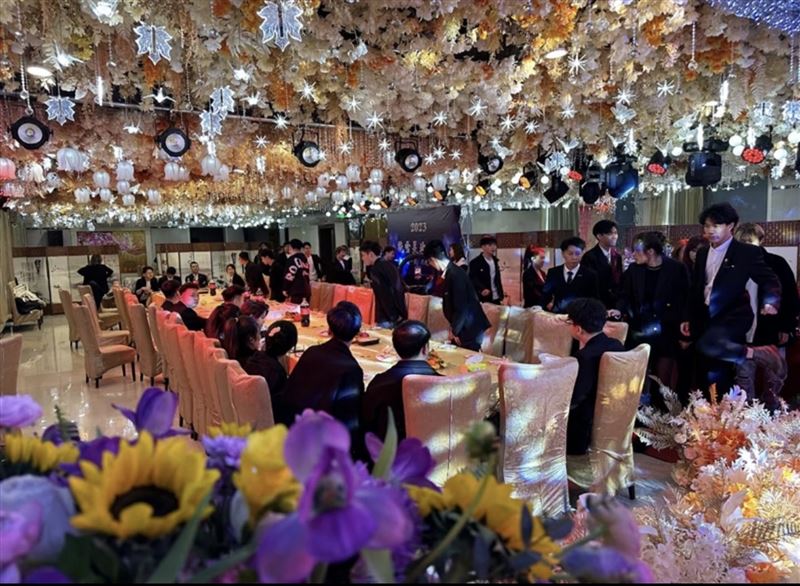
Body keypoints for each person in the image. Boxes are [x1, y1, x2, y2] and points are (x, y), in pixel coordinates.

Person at [681, 203, 784, 398]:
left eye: (716, 225)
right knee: (705, 366)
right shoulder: (702, 253)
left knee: (714, 355)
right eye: (707, 226)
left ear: (731, 226)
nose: (710, 231)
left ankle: (757, 354)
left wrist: (770, 302)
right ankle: (710, 412)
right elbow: (696, 288)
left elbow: (769, 279)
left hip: (733, 315)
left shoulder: (746, 252)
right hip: (705, 316)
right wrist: (687, 316)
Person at [612, 231, 690, 392]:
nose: (633, 254)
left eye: (637, 251)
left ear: (651, 251)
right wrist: (618, 310)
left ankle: (661, 405)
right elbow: (624, 295)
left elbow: (685, 299)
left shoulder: (676, 268)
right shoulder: (634, 270)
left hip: (667, 329)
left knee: (662, 379)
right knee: (636, 378)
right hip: (640, 329)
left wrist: (684, 327)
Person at [282, 302, 365, 451]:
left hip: (294, 432)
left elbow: (290, 394)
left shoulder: (311, 352)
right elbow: (349, 424)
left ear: (329, 329)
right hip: (322, 447)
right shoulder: (351, 369)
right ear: (357, 333)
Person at [565, 298, 625, 455]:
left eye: (569, 322)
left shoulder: (585, 356)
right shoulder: (616, 345)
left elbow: (576, 397)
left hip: (586, 428)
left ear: (578, 329)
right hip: (616, 417)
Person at [362, 320, 440, 440]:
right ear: (425, 349)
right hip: (429, 447)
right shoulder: (443, 383)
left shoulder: (379, 383)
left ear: (395, 348)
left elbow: (368, 421)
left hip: (389, 448)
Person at [734, 223, 800, 349]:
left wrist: (786, 327)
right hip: (738, 330)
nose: (746, 245)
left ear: (761, 240)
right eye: (742, 242)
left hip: (769, 327)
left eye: (750, 241)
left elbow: (790, 296)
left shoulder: (776, 263)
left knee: (771, 359)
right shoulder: (732, 264)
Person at [222, 316, 296, 418]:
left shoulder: (233, 357)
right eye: (259, 333)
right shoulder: (270, 370)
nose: (260, 337)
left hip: (238, 415)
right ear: (251, 340)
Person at [424, 239, 490, 351]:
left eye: (429, 262)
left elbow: (462, 307)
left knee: (467, 358)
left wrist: (455, 331)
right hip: (464, 325)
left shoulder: (455, 275)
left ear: (433, 259)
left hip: (470, 327)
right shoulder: (450, 272)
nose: (431, 266)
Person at [541, 237, 600, 314]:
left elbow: (594, 299)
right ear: (563, 254)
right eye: (570, 254)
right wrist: (540, 309)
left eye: (577, 254)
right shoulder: (554, 272)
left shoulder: (590, 274)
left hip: (580, 315)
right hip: (558, 315)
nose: (574, 257)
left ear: (582, 253)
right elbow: (545, 295)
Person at [360, 241, 407, 328]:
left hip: (387, 316)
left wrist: (392, 316)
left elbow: (383, 294)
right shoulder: (390, 265)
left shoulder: (375, 270)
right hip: (399, 313)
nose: (362, 258)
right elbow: (399, 288)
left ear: (371, 254)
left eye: (363, 255)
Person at [581, 220, 623, 309]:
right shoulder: (589, 257)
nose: (614, 237)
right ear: (599, 236)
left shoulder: (617, 256)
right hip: (598, 303)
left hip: (615, 304)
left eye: (615, 233)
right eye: (610, 234)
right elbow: (588, 284)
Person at [469, 235, 505, 304]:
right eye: (490, 245)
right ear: (483, 247)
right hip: (484, 297)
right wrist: (482, 289)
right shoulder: (475, 262)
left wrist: (501, 294)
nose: (493, 247)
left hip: (497, 297)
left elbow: (497, 279)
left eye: (494, 245)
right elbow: (472, 279)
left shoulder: (495, 261)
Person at [282, 239, 311, 304]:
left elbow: (289, 276)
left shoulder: (291, 259)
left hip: (296, 291)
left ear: (291, 247)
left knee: (295, 310)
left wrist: (285, 288)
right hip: (306, 290)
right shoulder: (304, 259)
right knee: (305, 309)